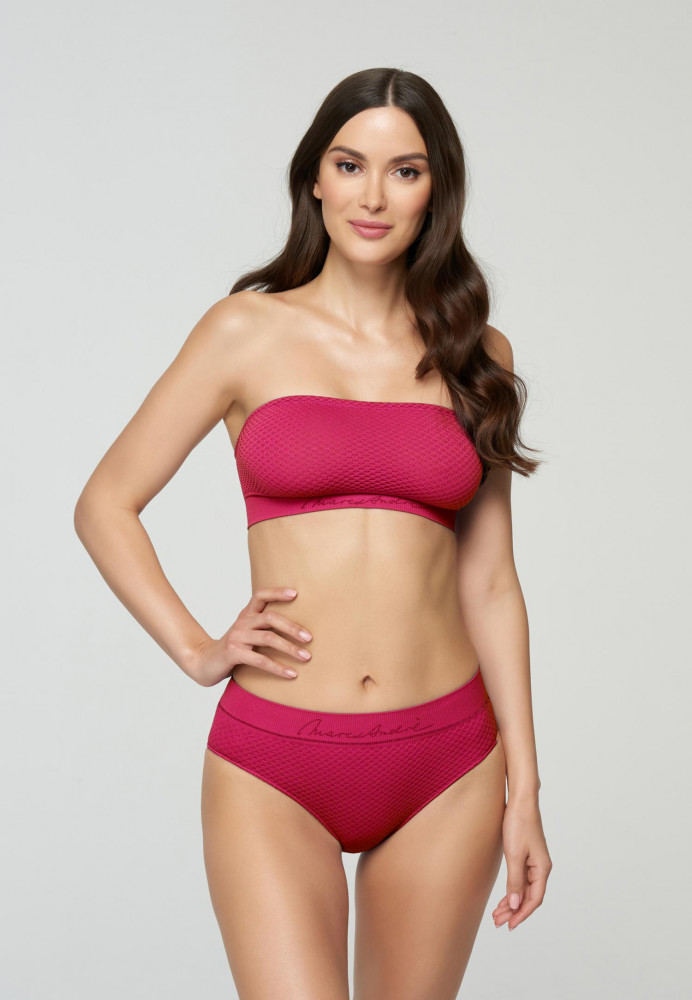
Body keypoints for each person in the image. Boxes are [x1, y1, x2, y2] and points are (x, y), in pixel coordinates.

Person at [74, 66, 552, 1000]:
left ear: (436, 192)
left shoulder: (476, 352)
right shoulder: (244, 331)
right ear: (315, 180)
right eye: (349, 164)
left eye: (405, 171)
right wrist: (198, 649)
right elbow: (105, 503)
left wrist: (526, 789)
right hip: (275, 762)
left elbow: (491, 581)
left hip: (449, 761)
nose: (373, 196)